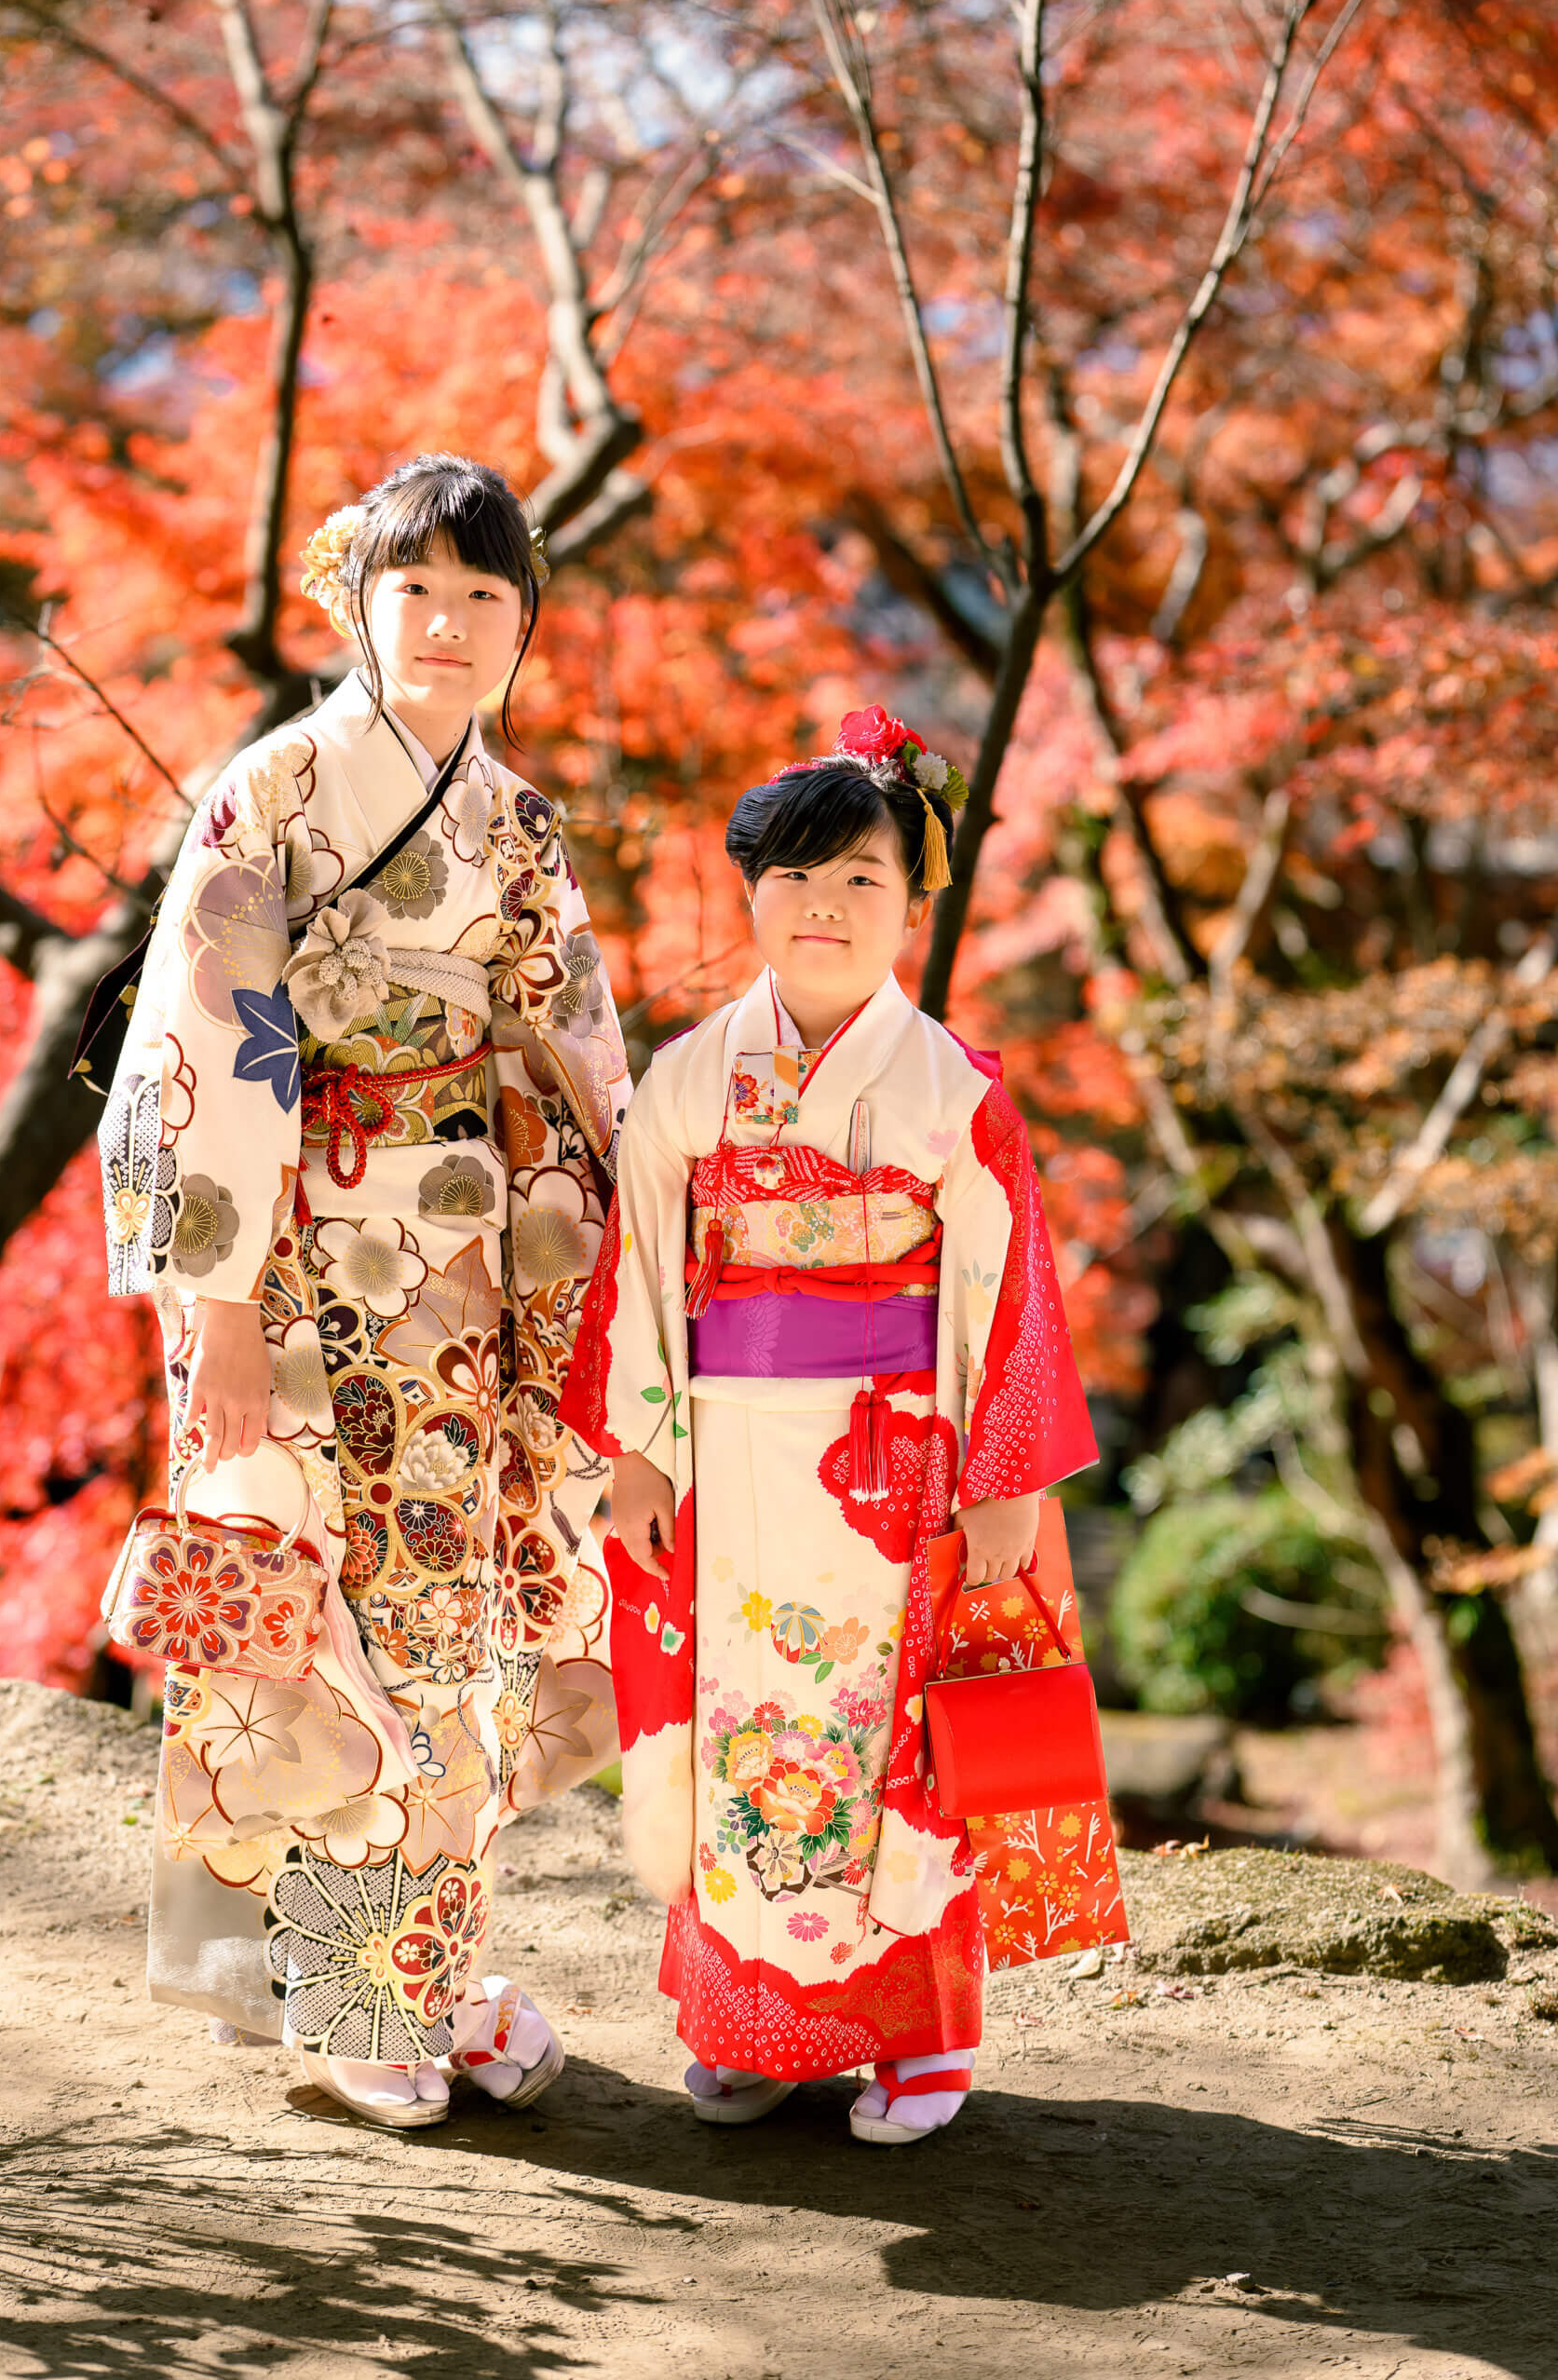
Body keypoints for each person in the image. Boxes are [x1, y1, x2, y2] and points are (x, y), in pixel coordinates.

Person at [98, 453, 630, 2128]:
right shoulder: (269, 794)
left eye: (491, 598)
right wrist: (226, 1311)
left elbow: (581, 1055)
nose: (456, 625)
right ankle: (333, 1991)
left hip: (469, 1281)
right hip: (299, 1265)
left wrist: (623, 1271)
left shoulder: (518, 824)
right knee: (306, 1612)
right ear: (355, 601)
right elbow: (200, 1053)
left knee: (451, 1619)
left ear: (525, 628)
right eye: (422, 591)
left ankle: (430, 1964)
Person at [563, 706, 1117, 2144]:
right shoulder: (690, 1082)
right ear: (750, 893)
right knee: (749, 1724)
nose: (825, 906)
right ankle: (758, 2028)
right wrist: (632, 1451)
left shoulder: (953, 1089)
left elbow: (1016, 1299)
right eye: (796, 878)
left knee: (894, 1740)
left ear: (912, 907)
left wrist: (1006, 1481)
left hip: (901, 1460)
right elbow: (637, 1265)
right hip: (734, 1456)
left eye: (862, 879)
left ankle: (918, 2042)